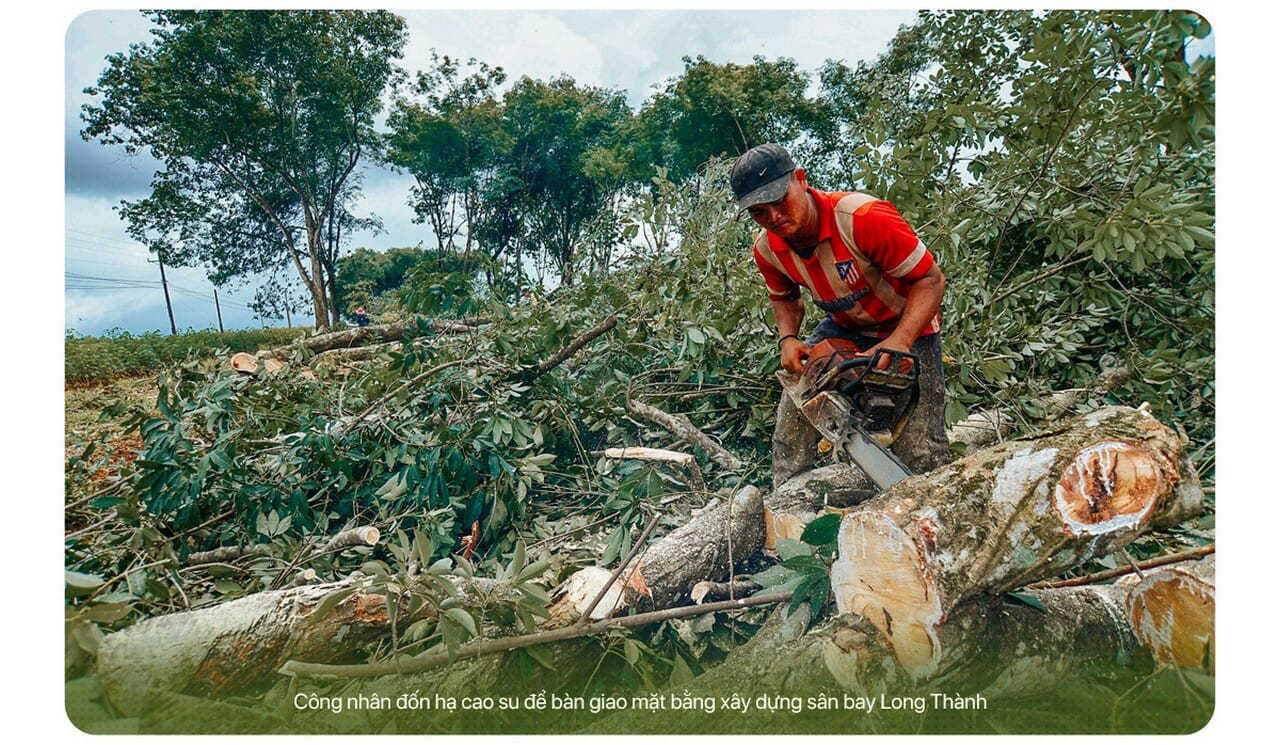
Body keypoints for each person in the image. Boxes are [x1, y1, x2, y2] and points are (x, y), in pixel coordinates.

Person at [730, 143, 950, 490]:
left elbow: (931, 280)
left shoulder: (862, 218)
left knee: (921, 446)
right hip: (843, 323)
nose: (774, 217)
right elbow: (785, 297)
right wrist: (788, 338)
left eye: (779, 201)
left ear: (800, 180)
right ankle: (787, 496)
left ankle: (930, 507)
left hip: (906, 322)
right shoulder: (767, 248)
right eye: (760, 212)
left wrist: (900, 341)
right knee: (797, 409)